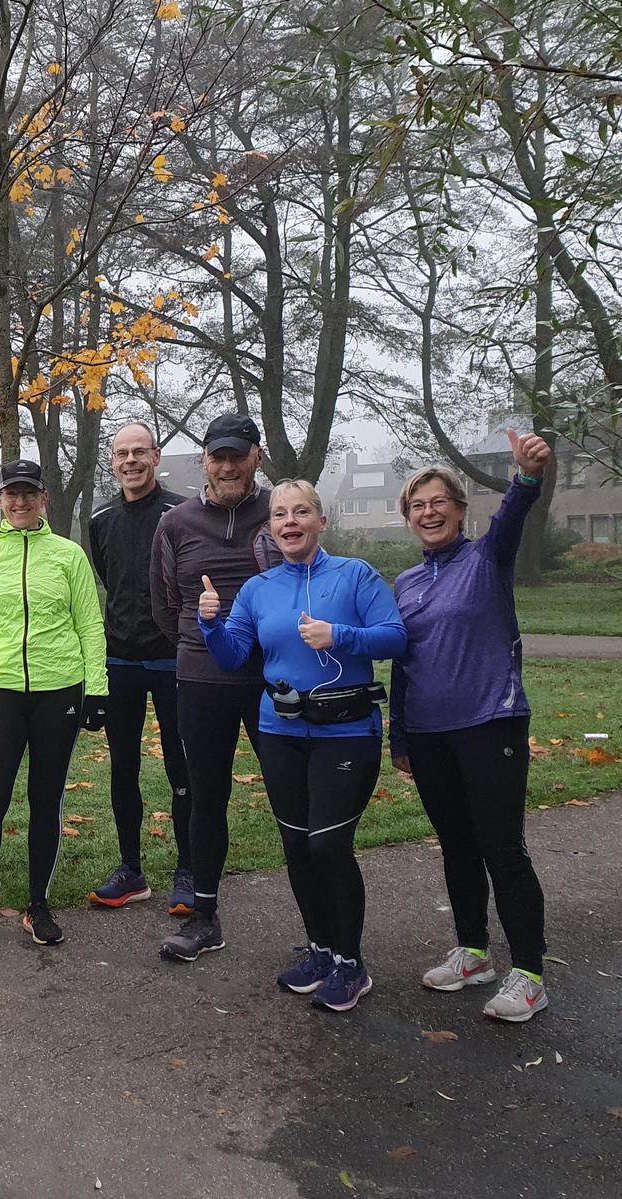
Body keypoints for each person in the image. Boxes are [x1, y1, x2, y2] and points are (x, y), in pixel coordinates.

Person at [198, 480, 406, 1011]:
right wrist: (210, 623)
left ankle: (351, 963)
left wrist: (342, 636)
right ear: (270, 527)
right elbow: (231, 656)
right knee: (296, 845)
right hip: (281, 730)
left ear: (321, 521)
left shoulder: (354, 575)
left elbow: (396, 636)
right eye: (280, 515)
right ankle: (320, 951)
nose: (290, 522)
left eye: (302, 513)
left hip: (346, 730)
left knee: (327, 846)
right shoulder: (258, 589)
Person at [392, 430, 556, 1022]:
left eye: (439, 502)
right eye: (417, 505)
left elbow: (514, 514)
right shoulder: (405, 585)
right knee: (456, 846)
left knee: (502, 848)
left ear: (461, 511)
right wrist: (400, 736)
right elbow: (402, 664)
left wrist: (527, 475)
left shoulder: (487, 560)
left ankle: (530, 972)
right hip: (430, 735)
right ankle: (473, 952)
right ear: (409, 518)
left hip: (491, 723)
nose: (428, 512)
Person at [0, 459, 109, 949]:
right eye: (11, 494)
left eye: (29, 494)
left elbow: (89, 626)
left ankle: (39, 905)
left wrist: (97, 690)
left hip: (60, 690)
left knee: (45, 800)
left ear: (44, 499)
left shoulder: (69, 556)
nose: (20, 502)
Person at [153, 412, 275, 962]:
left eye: (238, 455)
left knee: (292, 801)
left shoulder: (280, 513)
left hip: (273, 680)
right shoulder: (176, 524)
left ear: (257, 457)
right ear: (204, 460)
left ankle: (322, 933)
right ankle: (204, 917)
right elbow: (165, 606)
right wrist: (203, 634)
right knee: (207, 798)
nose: (228, 466)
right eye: (217, 456)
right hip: (200, 679)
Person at [86, 423, 192, 910]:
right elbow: (111, 579)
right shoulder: (101, 517)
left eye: (139, 452)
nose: (130, 461)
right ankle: (132, 869)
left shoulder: (181, 513)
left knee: (181, 765)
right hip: (119, 660)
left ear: (156, 456)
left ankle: (189, 870)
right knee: (122, 768)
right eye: (121, 454)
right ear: (113, 461)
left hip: (172, 658)